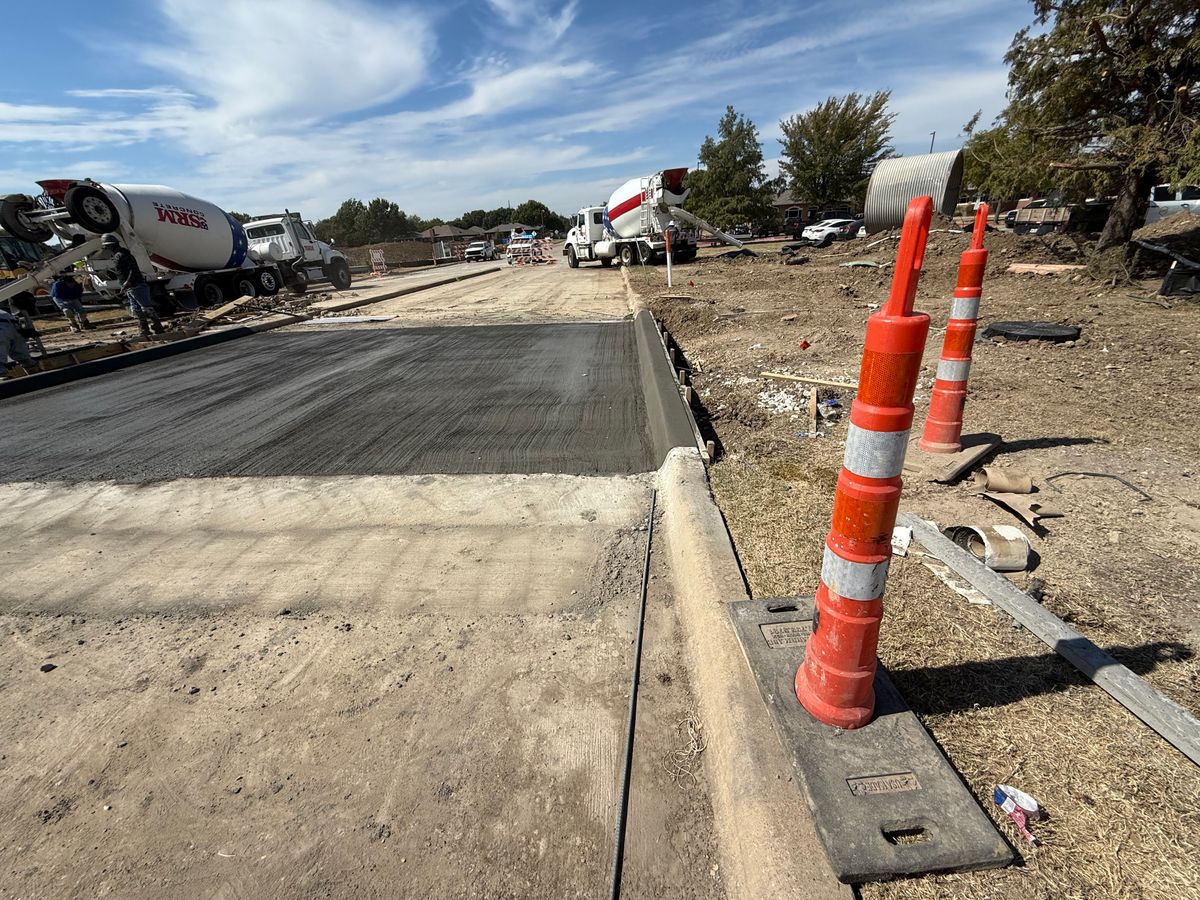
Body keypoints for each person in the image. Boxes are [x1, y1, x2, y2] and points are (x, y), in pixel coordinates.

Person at [103, 233, 164, 338]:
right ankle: (144, 329)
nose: (107, 249)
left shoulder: (122, 255)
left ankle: (157, 327)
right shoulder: (120, 255)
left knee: (146, 308)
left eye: (107, 246)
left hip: (136, 285)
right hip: (131, 287)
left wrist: (128, 281)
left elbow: (132, 269)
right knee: (137, 309)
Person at [0, 307, 36, 375]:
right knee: (22, 354)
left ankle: (3, 376)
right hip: (13, 324)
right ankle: (33, 370)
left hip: (3, 326)